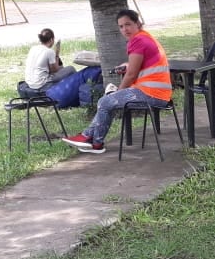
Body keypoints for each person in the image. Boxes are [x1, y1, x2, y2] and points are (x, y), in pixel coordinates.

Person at [62, 9, 172, 154]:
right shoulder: (145, 37)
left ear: (137, 23)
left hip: (151, 94)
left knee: (106, 101)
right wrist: (126, 67)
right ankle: (92, 140)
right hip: (159, 93)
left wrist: (119, 91)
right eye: (121, 26)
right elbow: (138, 65)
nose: (124, 29)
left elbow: (132, 74)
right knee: (107, 101)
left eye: (128, 24)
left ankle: (92, 140)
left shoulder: (138, 41)